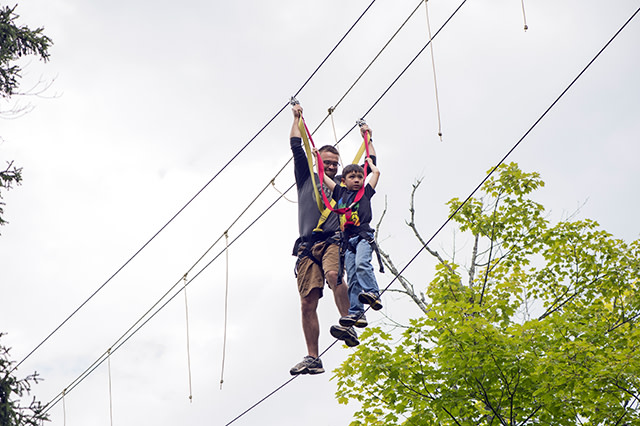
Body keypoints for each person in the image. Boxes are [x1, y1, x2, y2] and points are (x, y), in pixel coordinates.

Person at [289, 103, 373, 376]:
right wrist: (297, 120)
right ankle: (313, 357)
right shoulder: (307, 179)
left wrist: (367, 138)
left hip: (333, 239)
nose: (333, 167)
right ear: (318, 163)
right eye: (328, 164)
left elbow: (368, 169)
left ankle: (349, 319)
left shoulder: (340, 188)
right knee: (307, 302)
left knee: (334, 274)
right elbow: (296, 146)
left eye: (336, 164)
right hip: (306, 246)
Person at [322, 155, 383, 330]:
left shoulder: (366, 192)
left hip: (363, 236)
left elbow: (376, 172)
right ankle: (357, 312)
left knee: (362, 264)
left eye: (360, 177)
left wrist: (369, 163)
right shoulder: (340, 192)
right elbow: (322, 177)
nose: (357, 180)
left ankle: (372, 292)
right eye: (352, 177)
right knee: (353, 277)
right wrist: (316, 157)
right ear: (343, 180)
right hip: (348, 241)